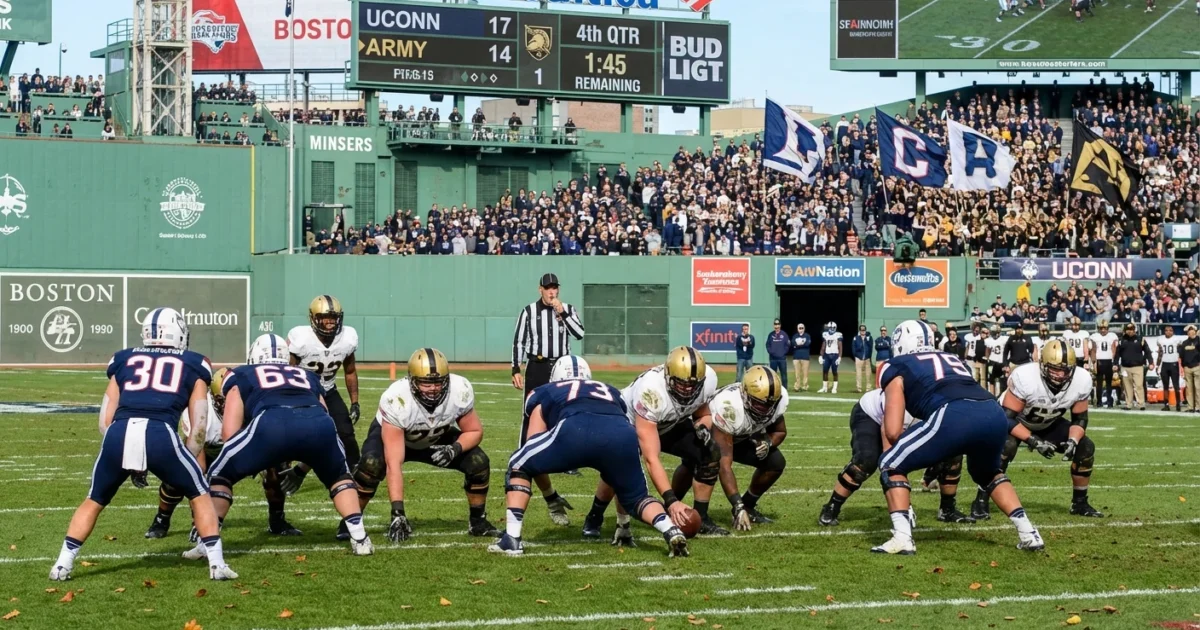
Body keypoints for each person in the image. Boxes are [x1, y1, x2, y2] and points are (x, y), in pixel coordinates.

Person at [50, 307, 236, 581]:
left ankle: (62, 564)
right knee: (199, 492)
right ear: (178, 334)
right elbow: (198, 424)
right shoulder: (195, 363)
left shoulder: (123, 359)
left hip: (119, 433)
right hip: (160, 432)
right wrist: (185, 457)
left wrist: (130, 456)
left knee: (94, 499)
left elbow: (105, 419)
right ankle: (217, 564)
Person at [181, 334, 374, 562]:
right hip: (320, 426)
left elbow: (229, 434)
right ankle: (360, 539)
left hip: (272, 423)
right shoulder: (307, 375)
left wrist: (251, 457)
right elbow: (325, 416)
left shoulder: (242, 374)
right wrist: (304, 463)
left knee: (220, 475)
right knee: (339, 477)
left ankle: (207, 542)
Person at [871, 320, 1044, 555]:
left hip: (953, 413)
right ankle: (1029, 533)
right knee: (988, 473)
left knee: (890, 463)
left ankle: (902, 537)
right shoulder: (953, 358)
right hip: (993, 412)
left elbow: (892, 430)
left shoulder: (895, 365)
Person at [490, 356, 689, 557]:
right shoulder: (610, 390)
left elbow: (533, 448)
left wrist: (550, 496)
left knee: (518, 462)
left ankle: (512, 540)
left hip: (575, 429)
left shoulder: (544, 391)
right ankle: (670, 529)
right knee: (637, 497)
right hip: (623, 434)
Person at [353, 348, 501, 541]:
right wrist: (397, 513)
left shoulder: (458, 390)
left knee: (478, 461)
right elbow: (394, 463)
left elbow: (474, 431)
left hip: (436, 436)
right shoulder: (397, 399)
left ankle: (478, 523)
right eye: (426, 383)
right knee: (372, 465)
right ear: (412, 381)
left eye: (438, 382)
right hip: (398, 438)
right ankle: (351, 522)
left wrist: (454, 448)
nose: (433, 388)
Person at [580, 347, 723, 538]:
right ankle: (595, 515)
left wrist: (703, 427)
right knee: (620, 470)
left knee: (708, 452)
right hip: (630, 422)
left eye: (694, 385)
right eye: (682, 384)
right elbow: (651, 458)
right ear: (668, 377)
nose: (689, 390)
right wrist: (670, 499)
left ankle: (701, 517)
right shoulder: (651, 392)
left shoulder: (708, 381)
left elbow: (703, 412)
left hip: (669, 421)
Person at [145, 367, 300, 539]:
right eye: (223, 400)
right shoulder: (203, 414)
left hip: (246, 448)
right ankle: (162, 519)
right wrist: (199, 519)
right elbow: (199, 465)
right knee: (179, 476)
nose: (228, 404)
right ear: (214, 398)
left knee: (279, 469)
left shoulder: (255, 407)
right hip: (209, 451)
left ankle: (277, 520)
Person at [971, 339, 1103, 519]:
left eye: (1065, 370)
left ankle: (1079, 503)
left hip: (1048, 422)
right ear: (1042, 365)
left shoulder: (1081, 379)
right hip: (1013, 420)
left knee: (1085, 447)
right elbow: (1005, 419)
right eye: (1055, 369)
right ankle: (981, 499)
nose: (1060, 375)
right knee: (1006, 447)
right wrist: (1033, 440)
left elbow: (1080, 419)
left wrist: (1073, 440)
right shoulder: (1026, 377)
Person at [279, 295, 362, 531]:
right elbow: (287, 371)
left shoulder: (347, 338)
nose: (329, 322)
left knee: (347, 440)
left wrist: (354, 402)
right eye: (324, 318)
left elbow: (350, 370)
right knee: (289, 446)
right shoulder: (300, 339)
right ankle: (278, 515)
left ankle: (354, 506)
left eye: (333, 317)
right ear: (313, 318)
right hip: (303, 394)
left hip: (329, 390)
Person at [511, 272, 585, 521]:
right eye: (548, 288)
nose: (552, 292)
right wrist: (515, 368)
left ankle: (569, 460)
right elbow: (519, 341)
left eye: (555, 288)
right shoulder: (529, 311)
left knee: (566, 412)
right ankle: (523, 458)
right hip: (538, 366)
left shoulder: (568, 309)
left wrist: (562, 312)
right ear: (540, 289)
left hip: (562, 366)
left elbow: (579, 334)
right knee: (530, 412)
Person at [680, 366, 788, 531]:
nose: (766, 410)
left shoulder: (773, 400)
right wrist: (737, 505)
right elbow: (724, 465)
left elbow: (779, 431)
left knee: (775, 462)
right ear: (745, 394)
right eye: (760, 405)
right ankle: (676, 506)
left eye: (770, 405)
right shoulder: (729, 406)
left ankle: (749, 506)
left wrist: (768, 443)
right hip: (708, 432)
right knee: (698, 463)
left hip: (739, 436)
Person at [1116, 323, 1153, 411]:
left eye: (1132, 329)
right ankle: (1129, 404)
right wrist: (1115, 363)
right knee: (1127, 387)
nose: (1130, 331)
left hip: (1138, 366)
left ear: (1134, 330)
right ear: (1125, 330)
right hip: (1125, 367)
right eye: (1128, 329)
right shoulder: (1121, 340)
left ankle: (1141, 404)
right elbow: (1117, 354)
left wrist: (1151, 362)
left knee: (1139, 385)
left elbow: (1147, 351)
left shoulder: (1140, 339)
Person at [1089, 321, 1120, 408]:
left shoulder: (1112, 336)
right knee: (1099, 383)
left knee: (1109, 383)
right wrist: (1093, 362)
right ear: (1098, 329)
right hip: (1099, 361)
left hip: (1109, 361)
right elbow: (1093, 350)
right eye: (1101, 328)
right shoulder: (1095, 336)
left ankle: (1110, 402)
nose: (1103, 330)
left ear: (1108, 328)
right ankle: (1099, 402)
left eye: (1104, 328)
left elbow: (1114, 349)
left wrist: (1114, 362)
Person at [1157, 325, 1182, 411]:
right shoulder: (1160, 340)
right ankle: (1166, 404)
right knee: (1165, 386)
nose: (1168, 332)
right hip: (1164, 364)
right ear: (1164, 331)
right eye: (1166, 330)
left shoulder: (1177, 339)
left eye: (1170, 330)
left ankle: (1178, 404)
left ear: (1173, 331)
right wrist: (1157, 365)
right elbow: (1160, 353)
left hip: (1174, 364)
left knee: (1176, 385)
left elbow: (1181, 351)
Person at [819, 322, 843, 394]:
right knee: (825, 371)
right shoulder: (825, 334)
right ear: (828, 328)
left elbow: (840, 347)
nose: (832, 329)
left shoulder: (838, 335)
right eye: (831, 328)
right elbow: (823, 346)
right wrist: (821, 355)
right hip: (827, 355)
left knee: (834, 371)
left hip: (835, 355)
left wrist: (839, 357)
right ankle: (824, 387)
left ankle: (834, 388)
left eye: (833, 328)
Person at [984, 325, 1009, 396]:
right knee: (992, 379)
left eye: (996, 332)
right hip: (992, 361)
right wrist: (987, 359)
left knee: (1003, 379)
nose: (995, 334)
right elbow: (987, 351)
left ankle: (1002, 394)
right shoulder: (989, 340)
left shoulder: (1004, 339)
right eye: (993, 332)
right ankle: (992, 395)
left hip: (1002, 361)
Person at [766, 319, 790, 390]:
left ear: (780, 325)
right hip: (773, 359)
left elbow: (787, 345)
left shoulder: (784, 334)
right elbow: (767, 345)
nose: (776, 326)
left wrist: (783, 353)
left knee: (784, 374)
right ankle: (774, 389)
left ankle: (785, 389)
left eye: (778, 324)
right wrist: (771, 352)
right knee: (773, 375)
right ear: (774, 326)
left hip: (782, 359)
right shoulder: (771, 334)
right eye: (775, 325)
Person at [852, 325, 873, 393]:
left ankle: (868, 388)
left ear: (865, 330)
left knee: (868, 374)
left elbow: (871, 347)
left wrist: (867, 339)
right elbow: (853, 347)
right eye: (861, 330)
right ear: (859, 330)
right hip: (859, 357)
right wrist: (856, 355)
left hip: (867, 358)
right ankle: (859, 388)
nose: (863, 331)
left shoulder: (869, 337)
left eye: (864, 330)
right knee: (858, 374)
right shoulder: (856, 338)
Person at [791, 324, 811, 392]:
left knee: (805, 373)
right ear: (797, 328)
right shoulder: (795, 336)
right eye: (799, 328)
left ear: (804, 328)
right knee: (797, 373)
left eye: (802, 328)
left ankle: (805, 386)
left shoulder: (807, 336)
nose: (801, 329)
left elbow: (807, 344)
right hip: (796, 357)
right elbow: (793, 344)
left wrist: (798, 345)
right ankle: (797, 386)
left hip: (805, 357)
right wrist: (801, 344)